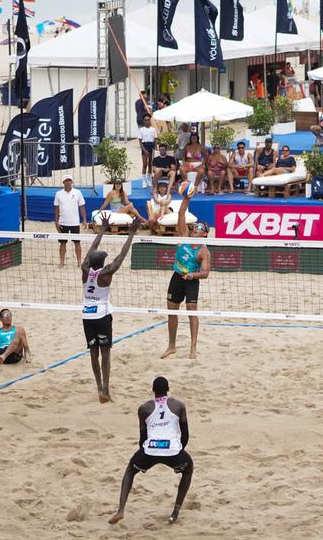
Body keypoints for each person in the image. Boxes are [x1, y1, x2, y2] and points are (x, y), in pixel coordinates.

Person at [109, 376, 193, 525]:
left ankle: (121, 510)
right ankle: (175, 512)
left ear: (153, 391)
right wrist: (178, 451)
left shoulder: (144, 408)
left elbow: (142, 438)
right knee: (188, 469)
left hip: (150, 450)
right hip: (173, 450)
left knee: (130, 471)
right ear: (168, 389)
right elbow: (185, 435)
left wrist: (144, 457)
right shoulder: (179, 405)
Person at [81, 213, 142, 402]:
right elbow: (122, 255)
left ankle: (98, 386)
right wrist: (131, 233)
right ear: (103, 263)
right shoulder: (106, 273)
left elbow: (92, 248)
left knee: (93, 353)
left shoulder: (84, 269)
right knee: (105, 354)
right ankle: (105, 390)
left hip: (86, 315)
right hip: (101, 315)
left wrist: (103, 230)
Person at [162, 187, 208, 359]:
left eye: (200, 228)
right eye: (195, 227)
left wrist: (193, 276)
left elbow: (206, 273)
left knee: (192, 312)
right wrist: (186, 198)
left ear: (204, 235)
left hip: (191, 281)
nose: (196, 229)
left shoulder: (204, 250)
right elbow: (181, 214)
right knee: (172, 311)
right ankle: (172, 346)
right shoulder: (184, 235)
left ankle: (193, 348)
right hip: (177, 277)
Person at [54, 175, 87, 267]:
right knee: (62, 243)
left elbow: (82, 207)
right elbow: (56, 209)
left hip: (75, 223)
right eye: (66, 180)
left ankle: (79, 262)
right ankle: (62, 262)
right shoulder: (58, 194)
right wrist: (56, 222)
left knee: (77, 243)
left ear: (72, 182)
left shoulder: (78, 192)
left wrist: (84, 219)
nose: (68, 182)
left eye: (69, 180)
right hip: (63, 222)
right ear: (63, 182)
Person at [138, 114, 157, 186]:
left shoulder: (153, 129)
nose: (147, 121)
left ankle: (149, 180)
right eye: (145, 120)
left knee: (150, 164)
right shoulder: (141, 129)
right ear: (143, 121)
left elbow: (155, 139)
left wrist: (155, 148)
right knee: (145, 164)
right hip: (144, 146)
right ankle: (144, 181)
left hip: (151, 146)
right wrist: (144, 150)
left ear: (150, 120)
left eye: (148, 120)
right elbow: (140, 141)